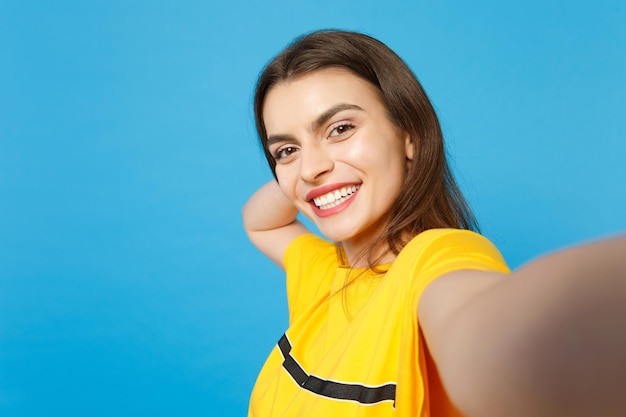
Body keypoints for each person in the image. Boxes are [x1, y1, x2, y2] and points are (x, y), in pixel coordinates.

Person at [242, 30, 626, 417]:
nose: (310, 165)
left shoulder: (434, 261)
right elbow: (259, 221)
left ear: (409, 135)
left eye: (341, 128)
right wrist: (311, 176)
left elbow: (498, 340)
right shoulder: (320, 271)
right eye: (286, 149)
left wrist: (325, 173)